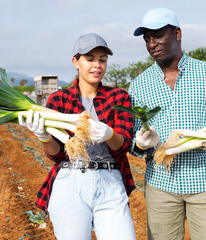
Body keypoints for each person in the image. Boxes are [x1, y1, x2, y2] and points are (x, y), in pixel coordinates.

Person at [128, 7, 206, 240]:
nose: (151, 44)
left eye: (157, 35)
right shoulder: (138, 85)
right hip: (160, 185)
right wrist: (139, 144)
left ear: (177, 34)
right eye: (147, 38)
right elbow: (133, 144)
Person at [18, 33, 136, 240]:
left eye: (102, 59)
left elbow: (123, 145)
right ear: (76, 61)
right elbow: (56, 155)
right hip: (70, 180)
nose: (97, 65)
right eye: (90, 59)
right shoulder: (58, 100)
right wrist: (44, 136)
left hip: (110, 181)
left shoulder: (119, 97)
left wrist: (109, 134)